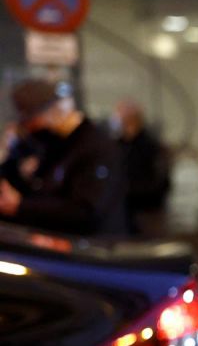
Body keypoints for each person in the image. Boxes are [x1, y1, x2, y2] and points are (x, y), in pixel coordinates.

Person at [0, 79, 127, 236]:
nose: (29, 130)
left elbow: (85, 211)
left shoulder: (96, 148)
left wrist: (22, 206)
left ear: (55, 111)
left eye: (32, 123)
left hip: (92, 247)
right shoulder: (55, 145)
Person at [111, 99, 172, 236]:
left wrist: (127, 191)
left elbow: (160, 182)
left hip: (147, 214)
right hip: (123, 215)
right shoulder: (117, 146)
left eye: (119, 117)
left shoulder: (151, 147)